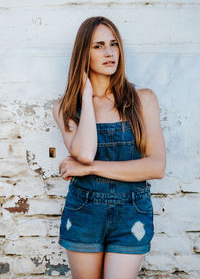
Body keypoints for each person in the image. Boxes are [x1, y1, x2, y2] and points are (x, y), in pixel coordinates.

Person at [52, 16, 166, 279]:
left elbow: (156, 167)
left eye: (113, 44)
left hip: (131, 210)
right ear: (83, 54)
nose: (109, 52)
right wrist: (87, 97)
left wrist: (86, 169)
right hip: (84, 211)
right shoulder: (65, 108)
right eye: (98, 46)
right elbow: (85, 153)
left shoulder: (143, 100)